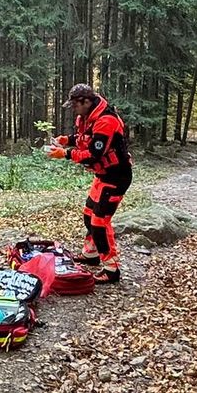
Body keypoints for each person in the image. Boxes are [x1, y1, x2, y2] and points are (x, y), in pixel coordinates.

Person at [48, 83, 133, 283]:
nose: (74, 110)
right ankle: (91, 254)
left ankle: (112, 269)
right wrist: (65, 140)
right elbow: (82, 138)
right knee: (88, 215)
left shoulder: (106, 121)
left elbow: (94, 154)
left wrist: (66, 154)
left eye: (75, 105)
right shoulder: (86, 117)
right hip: (102, 175)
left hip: (116, 176)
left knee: (99, 222)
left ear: (86, 101)